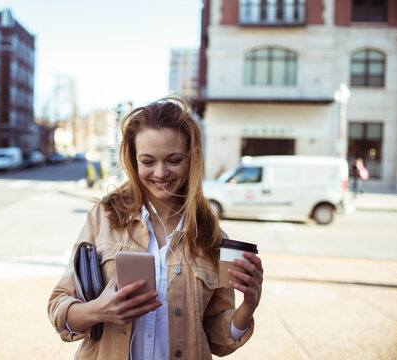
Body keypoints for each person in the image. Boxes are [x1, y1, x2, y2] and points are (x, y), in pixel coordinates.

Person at [48, 98, 263, 359]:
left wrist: (248, 306)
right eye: (148, 162)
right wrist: (98, 311)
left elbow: (216, 341)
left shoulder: (210, 236)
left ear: (191, 159)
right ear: (133, 160)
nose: (160, 173)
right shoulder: (103, 216)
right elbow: (59, 306)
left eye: (174, 160)